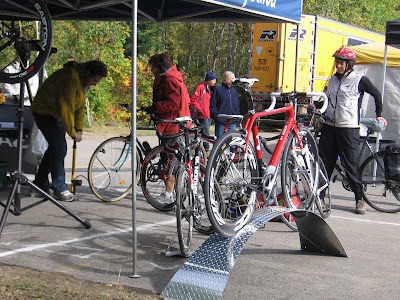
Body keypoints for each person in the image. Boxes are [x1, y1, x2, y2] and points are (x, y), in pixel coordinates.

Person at [319, 46, 387, 215]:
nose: (338, 65)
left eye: (341, 62)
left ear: (349, 64)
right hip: (329, 127)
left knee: (351, 165)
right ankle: (320, 195)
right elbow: (325, 98)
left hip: (348, 129)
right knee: (325, 163)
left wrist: (379, 114)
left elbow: (377, 94)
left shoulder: (359, 79)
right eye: (337, 62)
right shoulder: (332, 79)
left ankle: (359, 199)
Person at [31, 60, 108, 201]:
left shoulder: (84, 82)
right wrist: (72, 132)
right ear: (88, 73)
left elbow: (80, 107)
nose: (95, 84)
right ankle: (59, 188)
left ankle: (39, 184)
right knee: (59, 148)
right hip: (44, 111)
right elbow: (67, 107)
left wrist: (79, 128)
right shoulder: (71, 78)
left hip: (56, 114)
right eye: (94, 80)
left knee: (57, 149)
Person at [148, 53, 191, 203]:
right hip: (170, 122)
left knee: (170, 159)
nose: (151, 70)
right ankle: (170, 192)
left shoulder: (169, 80)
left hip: (172, 123)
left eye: (152, 67)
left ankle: (168, 194)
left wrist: (155, 107)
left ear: (159, 67)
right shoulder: (169, 77)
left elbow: (173, 103)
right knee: (170, 158)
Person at [190, 71, 217, 150]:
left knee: (204, 133)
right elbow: (193, 101)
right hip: (202, 115)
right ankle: (205, 149)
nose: (215, 81)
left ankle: (202, 149)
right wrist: (200, 109)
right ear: (209, 80)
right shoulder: (201, 88)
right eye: (213, 79)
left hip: (207, 114)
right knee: (205, 133)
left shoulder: (210, 89)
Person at [210, 71, 240, 138]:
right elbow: (213, 105)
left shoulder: (234, 91)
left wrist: (237, 116)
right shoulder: (218, 90)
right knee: (220, 140)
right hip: (221, 121)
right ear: (227, 79)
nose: (234, 80)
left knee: (232, 141)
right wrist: (216, 117)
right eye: (232, 78)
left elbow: (237, 105)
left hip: (232, 121)